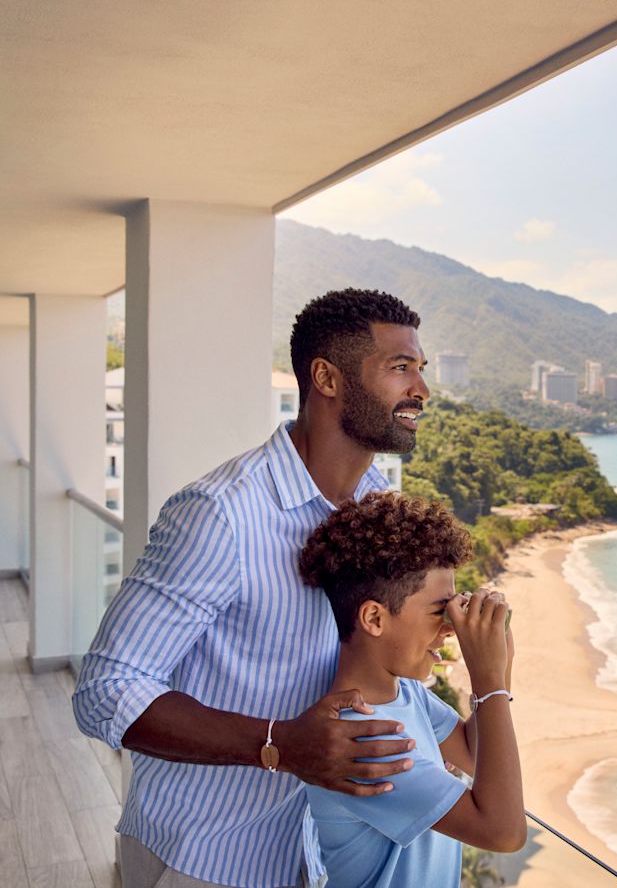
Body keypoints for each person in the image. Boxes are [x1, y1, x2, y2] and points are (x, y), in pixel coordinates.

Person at [72, 288, 431, 888]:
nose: (420, 388)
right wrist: (281, 744)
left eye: (421, 369)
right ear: (327, 378)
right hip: (200, 858)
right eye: (401, 368)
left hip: (312, 856)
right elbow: (106, 689)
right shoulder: (221, 513)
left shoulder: (377, 507)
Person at [299, 491, 526, 888]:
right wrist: (488, 684)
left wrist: (499, 667)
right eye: (440, 612)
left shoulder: (404, 692)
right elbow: (504, 832)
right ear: (373, 617)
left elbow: (475, 754)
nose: (451, 627)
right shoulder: (361, 739)